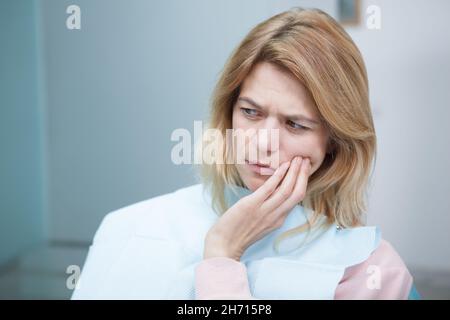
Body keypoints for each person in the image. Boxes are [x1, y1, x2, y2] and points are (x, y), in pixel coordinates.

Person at [72, 7, 420, 300]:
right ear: (228, 112)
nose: (261, 143)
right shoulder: (130, 227)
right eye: (251, 112)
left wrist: (223, 255)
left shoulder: (371, 272)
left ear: (335, 140)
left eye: (295, 124)